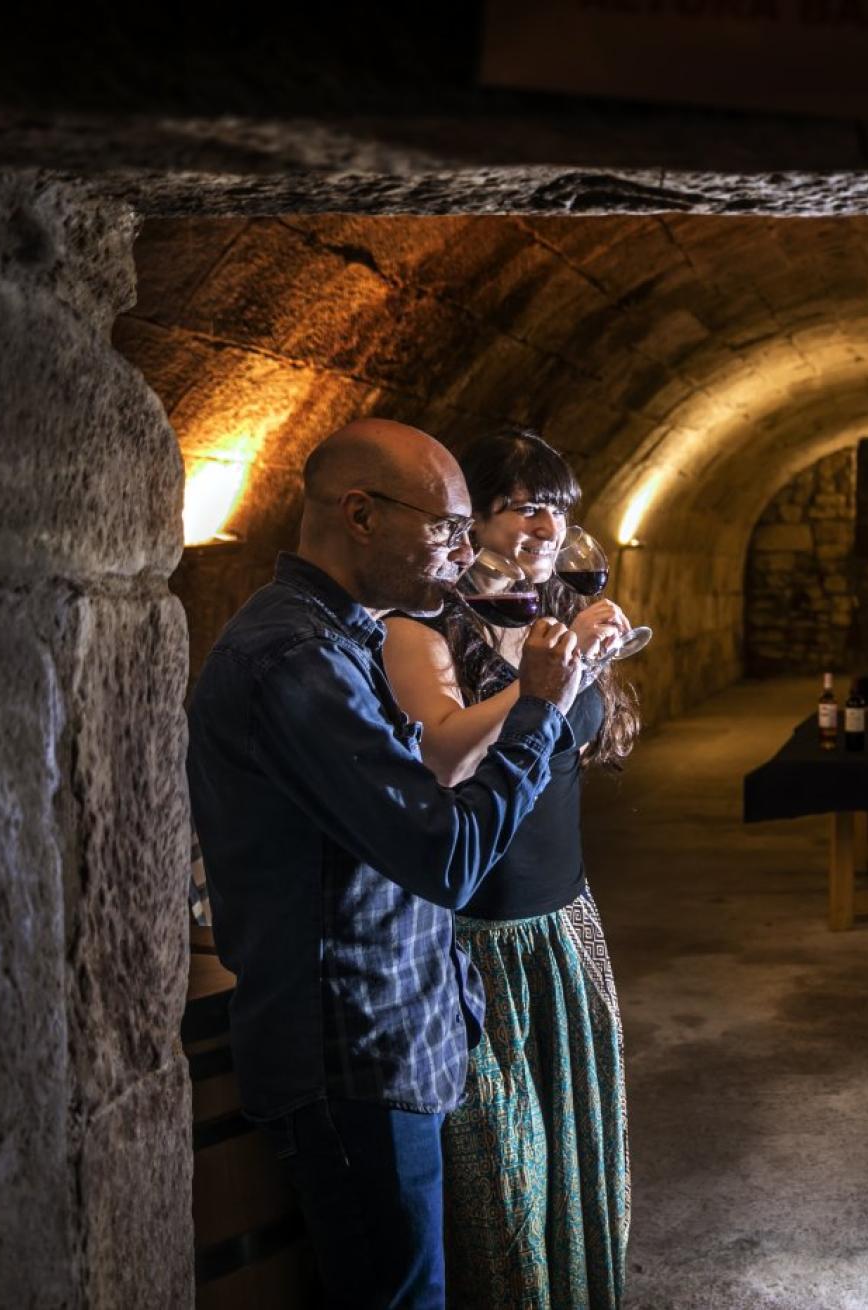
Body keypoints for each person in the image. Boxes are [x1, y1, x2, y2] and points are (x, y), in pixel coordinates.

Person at [187, 419, 585, 1310]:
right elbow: (443, 858)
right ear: (360, 515)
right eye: (442, 526)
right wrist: (537, 711)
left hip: (394, 1035)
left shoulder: (346, 635)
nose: (457, 549)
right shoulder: (295, 658)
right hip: (349, 1056)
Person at [383, 429, 641, 1308]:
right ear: (471, 514)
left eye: (558, 506)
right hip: (480, 935)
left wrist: (586, 651)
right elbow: (442, 759)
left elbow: (584, 739)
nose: (546, 523)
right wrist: (542, 678)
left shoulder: (547, 605)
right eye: (525, 503)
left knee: (573, 1147)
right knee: (505, 1173)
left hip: (562, 917)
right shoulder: (422, 622)